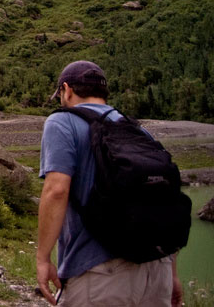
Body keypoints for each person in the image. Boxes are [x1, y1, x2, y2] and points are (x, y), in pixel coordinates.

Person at [36, 60, 183, 306]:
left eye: (60, 94)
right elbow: (164, 201)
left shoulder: (62, 122)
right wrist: (173, 275)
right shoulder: (137, 130)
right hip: (157, 271)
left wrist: (43, 259)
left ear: (66, 89)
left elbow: (57, 190)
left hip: (100, 274)